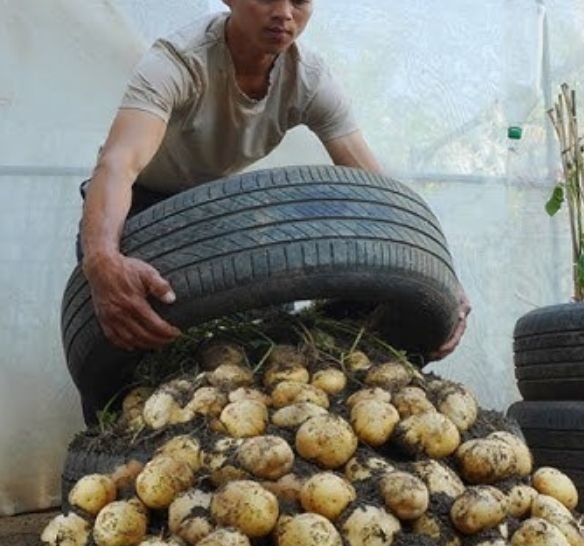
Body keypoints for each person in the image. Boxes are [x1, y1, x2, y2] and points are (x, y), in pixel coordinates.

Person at [78, 0, 470, 360]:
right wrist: (101, 258)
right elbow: (118, 164)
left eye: (299, 1)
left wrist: (439, 278)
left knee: (262, 334)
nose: (284, 13)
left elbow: (373, 190)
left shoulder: (309, 79)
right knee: (130, 325)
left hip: (210, 207)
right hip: (138, 204)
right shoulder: (178, 63)